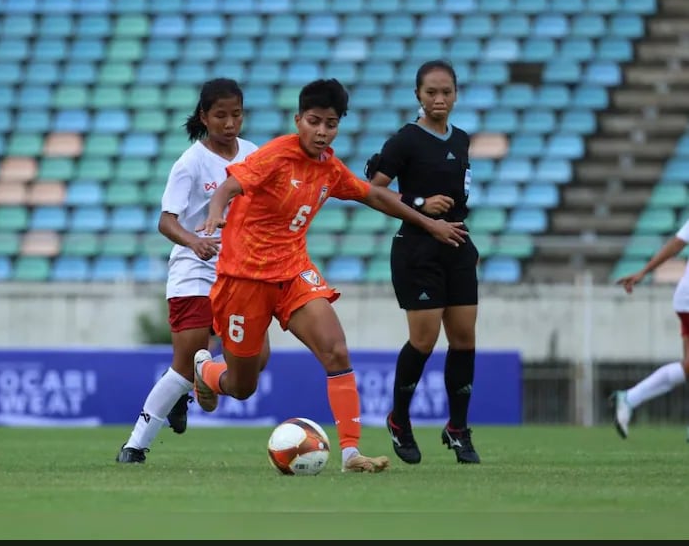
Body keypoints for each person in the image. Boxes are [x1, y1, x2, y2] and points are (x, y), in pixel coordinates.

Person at [194, 78, 468, 473]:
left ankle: (351, 454)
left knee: (336, 351)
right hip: (244, 279)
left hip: (293, 273)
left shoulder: (329, 168)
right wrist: (216, 211)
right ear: (298, 120)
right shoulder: (276, 156)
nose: (322, 132)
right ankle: (206, 369)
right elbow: (230, 186)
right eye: (314, 122)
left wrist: (428, 223)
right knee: (241, 386)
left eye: (331, 124)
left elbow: (373, 194)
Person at [116, 78, 270, 463]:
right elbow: (166, 221)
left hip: (241, 270)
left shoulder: (253, 154)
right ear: (204, 116)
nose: (229, 123)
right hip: (195, 268)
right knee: (185, 361)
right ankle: (135, 445)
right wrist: (193, 241)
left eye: (236, 114)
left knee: (257, 358)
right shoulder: (190, 162)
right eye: (220, 115)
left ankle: (200, 380)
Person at [365, 59, 481, 465]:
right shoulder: (405, 140)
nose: (439, 99)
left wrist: (449, 225)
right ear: (418, 94)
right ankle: (399, 420)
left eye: (446, 91)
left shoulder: (462, 139)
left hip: (457, 244)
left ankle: (458, 428)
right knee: (425, 339)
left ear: (456, 94)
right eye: (431, 92)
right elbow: (374, 192)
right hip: (417, 249)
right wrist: (420, 206)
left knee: (464, 337)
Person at [611, 217, 689, 439]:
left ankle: (629, 399)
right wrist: (643, 272)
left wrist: (643, 272)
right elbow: (676, 244)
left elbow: (677, 243)